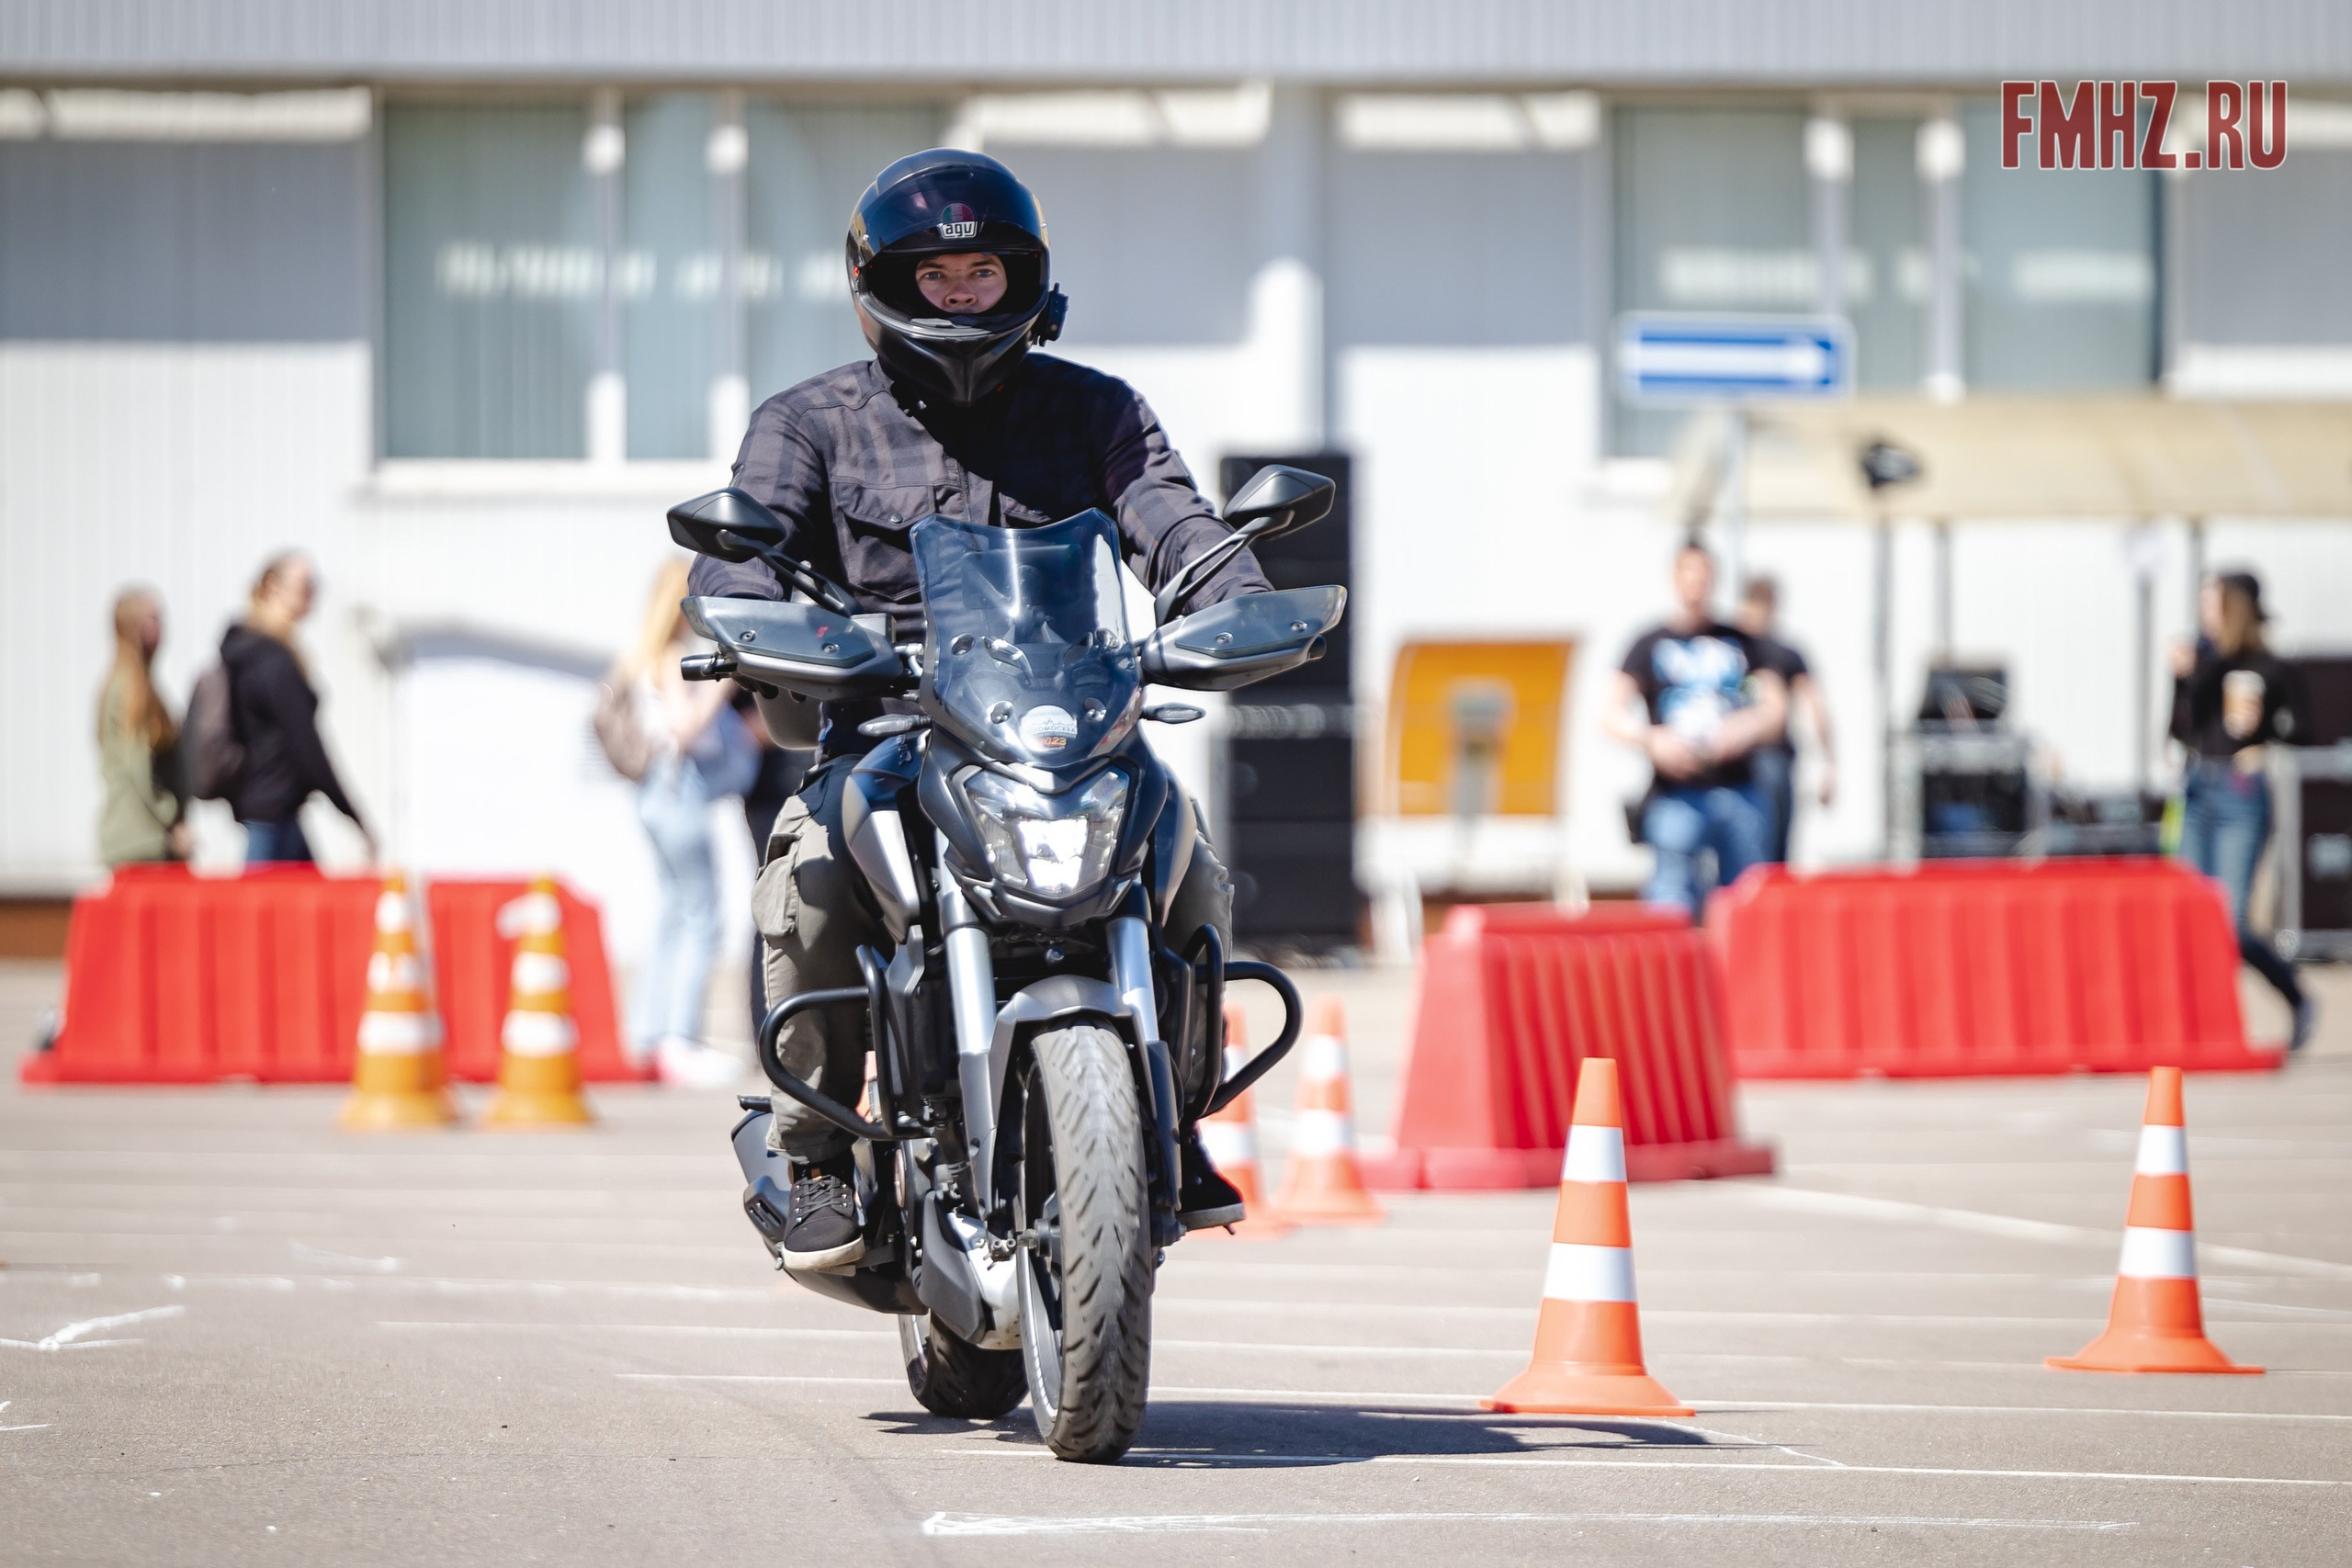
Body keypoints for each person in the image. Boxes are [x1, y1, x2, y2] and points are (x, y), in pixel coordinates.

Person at [689, 148, 1268, 1267]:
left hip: (1067, 727)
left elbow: (1173, 522)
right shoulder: (809, 421)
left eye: (981, 272)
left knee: (1184, 858)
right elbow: (740, 555)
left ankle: (1171, 1115)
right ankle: (816, 1150)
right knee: (812, 879)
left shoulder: (1096, 410)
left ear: (1021, 279)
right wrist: (751, 616)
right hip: (889, 731)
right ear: (882, 284)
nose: (960, 294)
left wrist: (1234, 599)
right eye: (936, 274)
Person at [613, 562, 762, 1089]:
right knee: (702, 917)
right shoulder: (673, 657)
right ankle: (679, 1042)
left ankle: (651, 1038)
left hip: (654, 798)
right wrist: (725, 681)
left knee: (674, 913)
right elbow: (684, 728)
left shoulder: (642, 658)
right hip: (679, 795)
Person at [2169, 570, 2315, 1050]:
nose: (2203, 612)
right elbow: (2178, 729)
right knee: (2188, 914)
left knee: (2229, 919)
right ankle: (2197, 1025)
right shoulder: (2204, 662)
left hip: (2240, 791)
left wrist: (2266, 739)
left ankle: (2296, 997)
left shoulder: (2271, 667)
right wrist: (2181, 678)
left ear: (2233, 607)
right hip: (2197, 789)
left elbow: (2304, 728)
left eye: (2211, 602)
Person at [1603, 540, 1788, 918]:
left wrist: (1745, 728)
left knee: (1746, 908)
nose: (1697, 583)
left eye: (1705, 574)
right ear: (1674, 578)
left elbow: (1776, 708)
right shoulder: (1649, 643)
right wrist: (1652, 740)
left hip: (1739, 790)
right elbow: (1610, 713)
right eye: (1690, 573)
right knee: (1672, 904)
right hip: (1676, 794)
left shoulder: (1741, 641)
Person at [220, 553, 375, 865]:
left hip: (278, 811)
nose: (312, 594)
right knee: (255, 897)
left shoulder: (253, 650)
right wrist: (352, 814)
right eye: (305, 585)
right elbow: (306, 744)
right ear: (272, 586)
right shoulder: (271, 659)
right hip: (271, 814)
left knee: (298, 893)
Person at [1735, 575, 1836, 864]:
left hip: (1765, 757)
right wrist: (1828, 763)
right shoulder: (1731, 647)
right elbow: (1816, 707)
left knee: (1764, 853)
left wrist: (1827, 764)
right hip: (1743, 761)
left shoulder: (1776, 653)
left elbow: (1815, 707)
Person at [96, 587, 192, 868]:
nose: (163, 627)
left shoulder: (143, 684)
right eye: (154, 619)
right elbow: (136, 765)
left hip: (150, 837)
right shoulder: (128, 688)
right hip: (140, 840)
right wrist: (170, 818)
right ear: (133, 626)